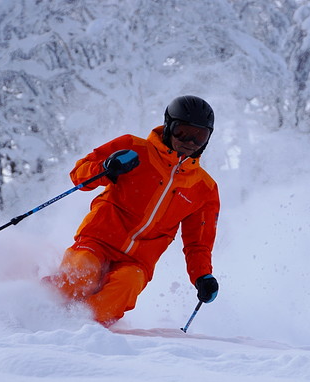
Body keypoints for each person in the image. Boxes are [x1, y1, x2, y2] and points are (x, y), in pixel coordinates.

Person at [44, 95, 220, 327]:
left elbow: (198, 244)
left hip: (137, 261)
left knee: (123, 288)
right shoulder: (133, 148)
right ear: (168, 126)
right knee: (81, 271)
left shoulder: (204, 188)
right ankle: (39, 306)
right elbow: (79, 175)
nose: (189, 142)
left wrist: (202, 276)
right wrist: (106, 168)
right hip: (98, 239)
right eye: (183, 132)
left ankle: (78, 330)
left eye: (199, 137)